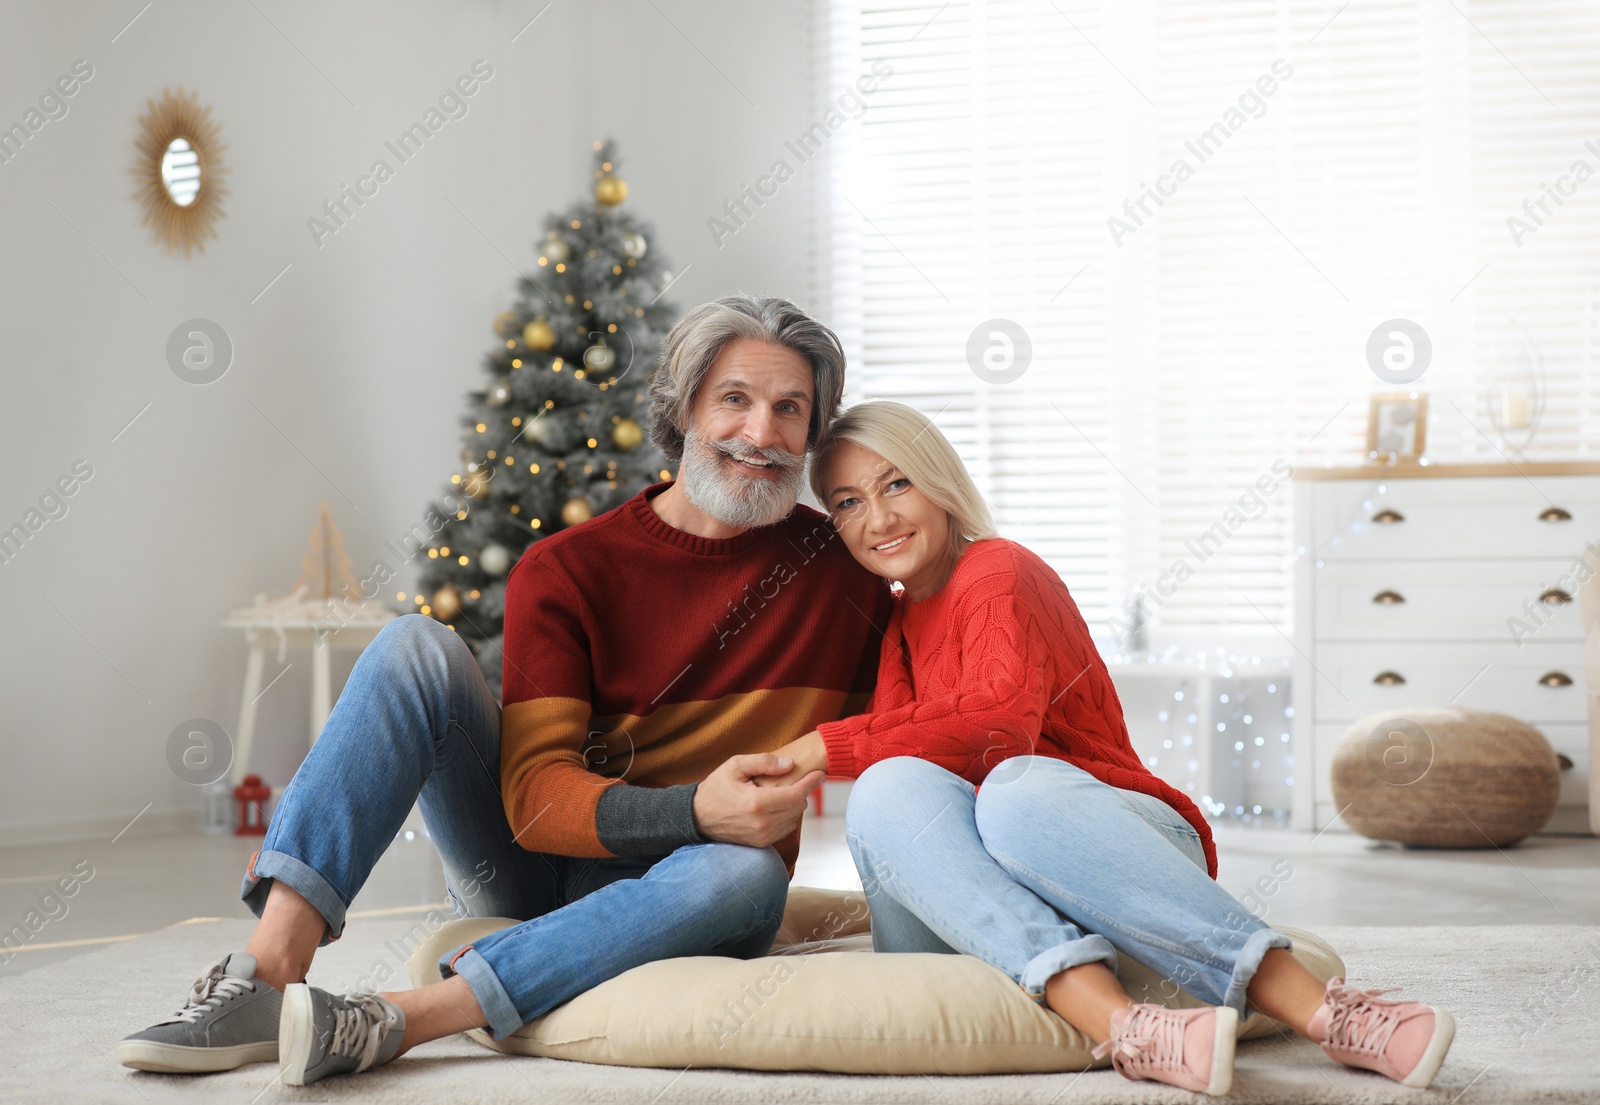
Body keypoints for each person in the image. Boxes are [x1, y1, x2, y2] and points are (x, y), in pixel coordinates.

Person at [116, 294, 892, 1085]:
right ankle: (269, 969)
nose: (761, 434)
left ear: (811, 433)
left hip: (699, 890)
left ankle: (397, 1018)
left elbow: (934, 708)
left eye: (789, 408)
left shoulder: (843, 572)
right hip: (532, 873)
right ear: (685, 407)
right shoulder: (568, 568)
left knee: (748, 868)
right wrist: (694, 807)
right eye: (735, 399)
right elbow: (534, 799)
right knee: (412, 646)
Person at [759, 400, 1456, 1096]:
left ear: (940, 482)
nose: (878, 519)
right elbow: (910, 784)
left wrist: (824, 747)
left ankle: (1324, 1010)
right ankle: (1136, 1029)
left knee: (1013, 788)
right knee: (886, 788)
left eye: (897, 483)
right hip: (990, 895)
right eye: (848, 502)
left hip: (1101, 848)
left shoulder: (999, 570)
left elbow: (1000, 721)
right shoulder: (898, 621)